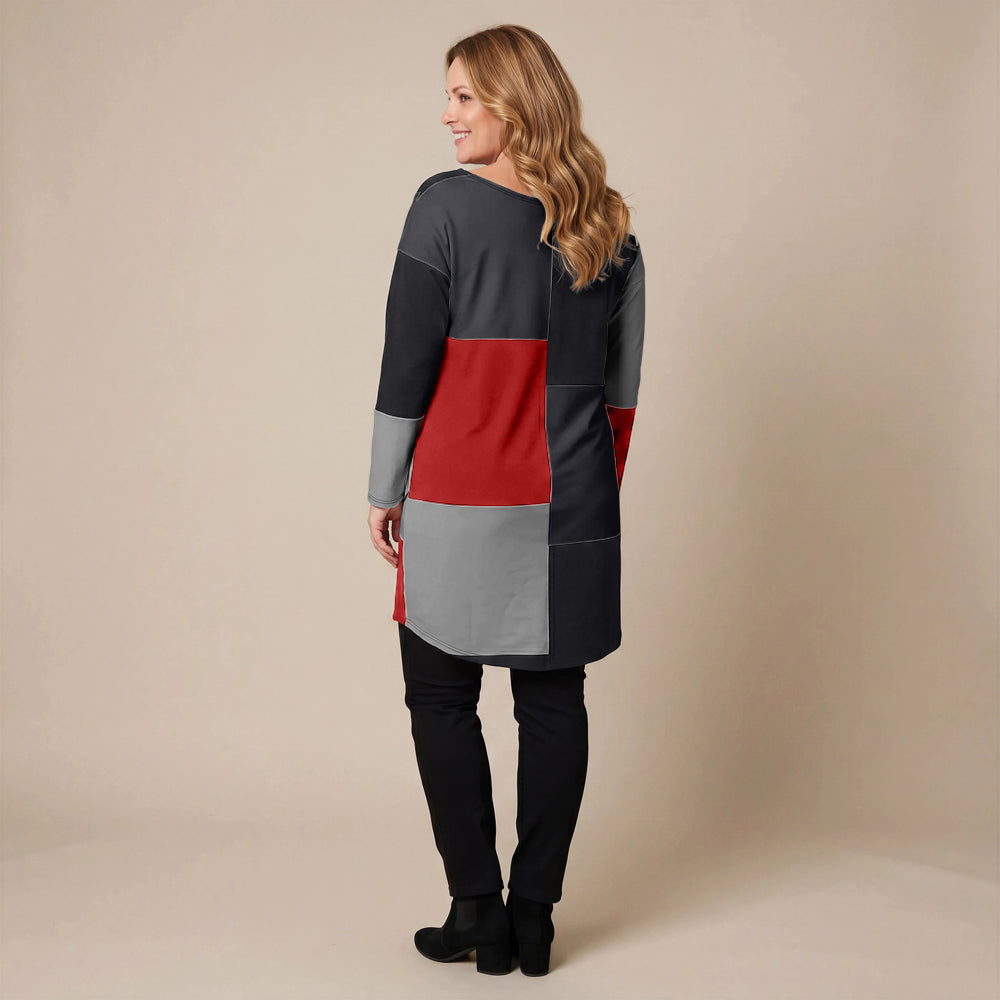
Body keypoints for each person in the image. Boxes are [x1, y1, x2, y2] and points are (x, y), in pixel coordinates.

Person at [366, 24, 645, 977]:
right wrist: (590, 489)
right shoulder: (608, 222)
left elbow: (407, 365)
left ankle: (477, 910)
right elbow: (620, 394)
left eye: (463, 95)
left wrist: (383, 487)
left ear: (515, 102)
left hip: (461, 495)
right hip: (574, 501)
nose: (446, 114)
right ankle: (534, 920)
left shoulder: (441, 208)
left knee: (440, 696)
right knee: (553, 701)